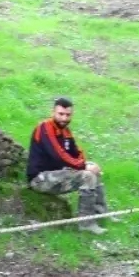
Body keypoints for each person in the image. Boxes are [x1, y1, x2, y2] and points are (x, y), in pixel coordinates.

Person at [26, 97, 109, 235]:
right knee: (87, 176)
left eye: (68, 115)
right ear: (53, 112)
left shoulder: (65, 131)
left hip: (57, 174)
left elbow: (77, 153)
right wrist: (83, 166)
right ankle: (86, 224)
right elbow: (58, 155)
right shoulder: (44, 128)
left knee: (93, 169)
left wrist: (86, 164)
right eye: (60, 114)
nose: (64, 118)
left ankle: (100, 214)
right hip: (40, 179)